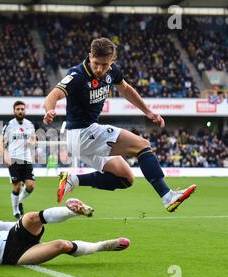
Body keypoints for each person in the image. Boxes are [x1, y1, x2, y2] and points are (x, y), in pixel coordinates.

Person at [43, 38, 196, 212]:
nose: (100, 69)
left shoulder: (112, 71)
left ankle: (73, 180)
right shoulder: (77, 75)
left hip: (83, 140)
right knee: (142, 145)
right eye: (96, 63)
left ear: (112, 61)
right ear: (90, 56)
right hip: (82, 133)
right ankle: (167, 196)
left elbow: (125, 89)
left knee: (126, 178)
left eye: (105, 65)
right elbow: (53, 95)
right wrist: (50, 110)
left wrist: (148, 112)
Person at [0, 192, 130, 268]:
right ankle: (104, 246)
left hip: (13, 237)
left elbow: (3, 224)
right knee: (62, 245)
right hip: (11, 257)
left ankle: (73, 211)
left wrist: (24, 226)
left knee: (30, 217)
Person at [0, 101, 36, 220]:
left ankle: (18, 201)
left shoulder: (30, 124)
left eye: (22, 109)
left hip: (27, 159)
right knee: (17, 187)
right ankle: (15, 211)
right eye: (18, 109)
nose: (20, 111)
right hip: (13, 159)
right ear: (14, 111)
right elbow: (0, 141)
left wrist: (31, 142)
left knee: (31, 186)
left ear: (25, 110)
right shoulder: (9, 125)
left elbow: (34, 140)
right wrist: (5, 154)